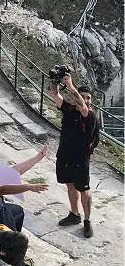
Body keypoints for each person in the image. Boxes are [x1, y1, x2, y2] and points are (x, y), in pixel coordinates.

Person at [49, 75, 99, 238]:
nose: (85, 100)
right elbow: (54, 95)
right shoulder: (69, 109)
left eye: (88, 98)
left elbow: (82, 107)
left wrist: (71, 86)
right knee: (70, 185)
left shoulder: (90, 116)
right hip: (65, 155)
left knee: (84, 190)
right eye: (83, 96)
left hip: (80, 159)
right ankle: (74, 214)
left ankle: (87, 220)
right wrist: (55, 81)